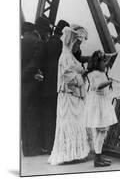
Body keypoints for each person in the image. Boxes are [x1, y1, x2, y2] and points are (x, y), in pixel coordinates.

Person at [48, 24, 90, 165]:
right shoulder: (66, 56)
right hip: (69, 95)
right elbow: (67, 76)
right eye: (77, 42)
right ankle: (68, 153)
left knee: (74, 121)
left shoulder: (69, 55)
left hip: (73, 95)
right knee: (69, 121)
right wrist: (81, 75)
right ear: (72, 41)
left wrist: (81, 73)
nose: (78, 45)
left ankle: (74, 152)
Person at [21, 17, 52, 156]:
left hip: (22, 85)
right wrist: (30, 74)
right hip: (33, 84)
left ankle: (26, 150)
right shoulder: (38, 42)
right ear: (40, 30)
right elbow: (36, 63)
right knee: (33, 115)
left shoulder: (22, 40)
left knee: (24, 116)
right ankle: (34, 149)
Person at [84, 50, 118, 167]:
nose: (105, 64)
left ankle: (98, 155)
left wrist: (111, 55)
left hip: (97, 102)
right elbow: (98, 86)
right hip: (98, 103)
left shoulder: (94, 72)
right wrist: (110, 81)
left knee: (99, 131)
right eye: (103, 62)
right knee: (100, 131)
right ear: (98, 63)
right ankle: (98, 157)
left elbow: (105, 59)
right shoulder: (97, 74)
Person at [41, 20, 70, 154]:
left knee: (47, 116)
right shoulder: (60, 45)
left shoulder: (47, 43)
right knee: (55, 116)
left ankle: (46, 145)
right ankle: (53, 146)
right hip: (56, 86)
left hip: (46, 85)